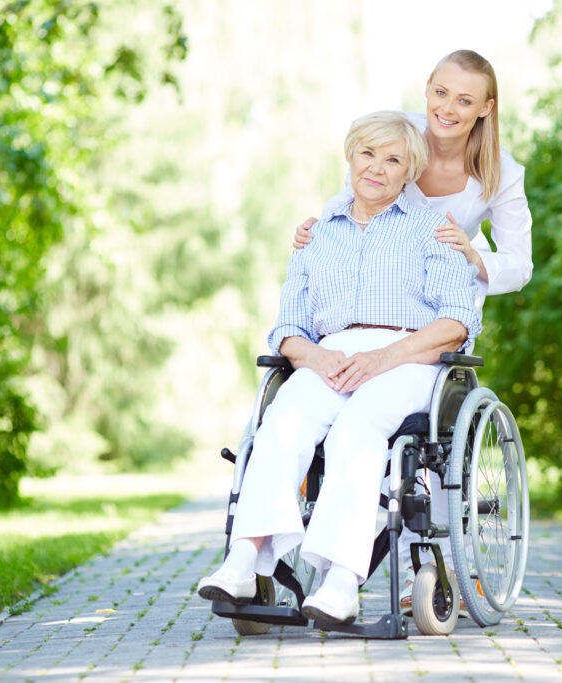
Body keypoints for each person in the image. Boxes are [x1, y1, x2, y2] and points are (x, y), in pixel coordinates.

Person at [196, 111, 481, 625]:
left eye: (392, 159)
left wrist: (383, 358)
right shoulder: (318, 234)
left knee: (357, 429)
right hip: (328, 356)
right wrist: (316, 356)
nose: (377, 167)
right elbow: (286, 327)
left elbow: (458, 322)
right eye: (367, 154)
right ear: (350, 157)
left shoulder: (431, 230)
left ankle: (342, 581)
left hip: (407, 356)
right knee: (281, 421)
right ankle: (243, 561)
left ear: (408, 171)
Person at [293, 49, 533, 614]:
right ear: (427, 89)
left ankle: (426, 563)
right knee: (343, 418)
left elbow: (520, 264)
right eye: (442, 93)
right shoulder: (398, 138)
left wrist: (476, 255)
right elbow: (360, 191)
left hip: (437, 314)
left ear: (486, 109)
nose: (449, 108)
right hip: (370, 312)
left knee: (418, 436)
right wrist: (316, 225)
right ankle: (316, 559)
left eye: (465, 100)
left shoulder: (500, 172)